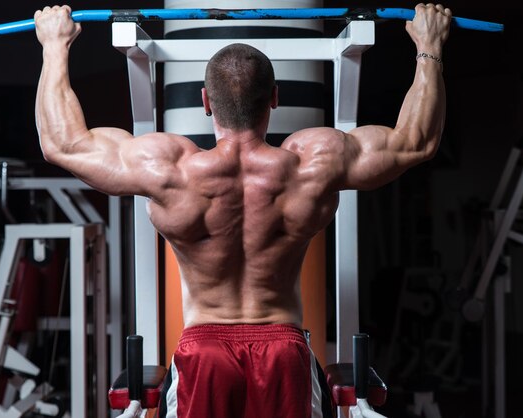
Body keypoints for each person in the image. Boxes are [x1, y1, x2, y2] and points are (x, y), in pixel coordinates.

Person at [34, 3, 451, 417]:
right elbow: (416, 141)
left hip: (204, 354)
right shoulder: (312, 164)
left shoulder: (170, 170)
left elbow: (62, 144)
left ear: (205, 102)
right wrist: (428, 48)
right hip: (283, 350)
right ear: (274, 97)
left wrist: (55, 46)